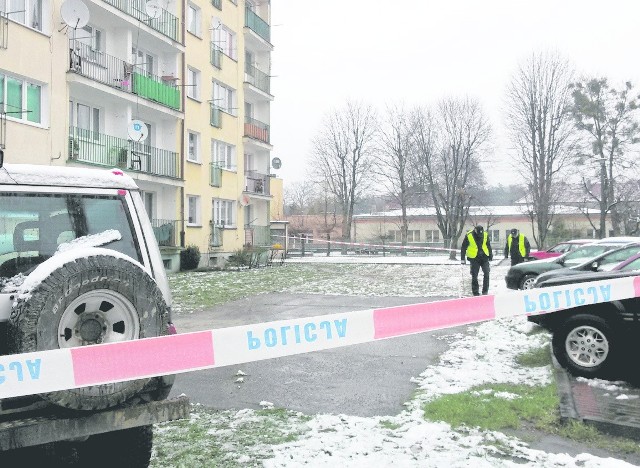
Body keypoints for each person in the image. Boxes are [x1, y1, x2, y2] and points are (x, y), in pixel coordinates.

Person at [460, 225, 493, 296]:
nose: (480, 235)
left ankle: (485, 292)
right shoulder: (469, 235)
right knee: (474, 276)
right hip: (474, 258)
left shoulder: (485, 234)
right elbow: (463, 247)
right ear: (475, 230)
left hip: (484, 257)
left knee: (487, 273)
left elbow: (488, 245)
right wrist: (462, 259)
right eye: (478, 234)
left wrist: (490, 255)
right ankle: (475, 293)